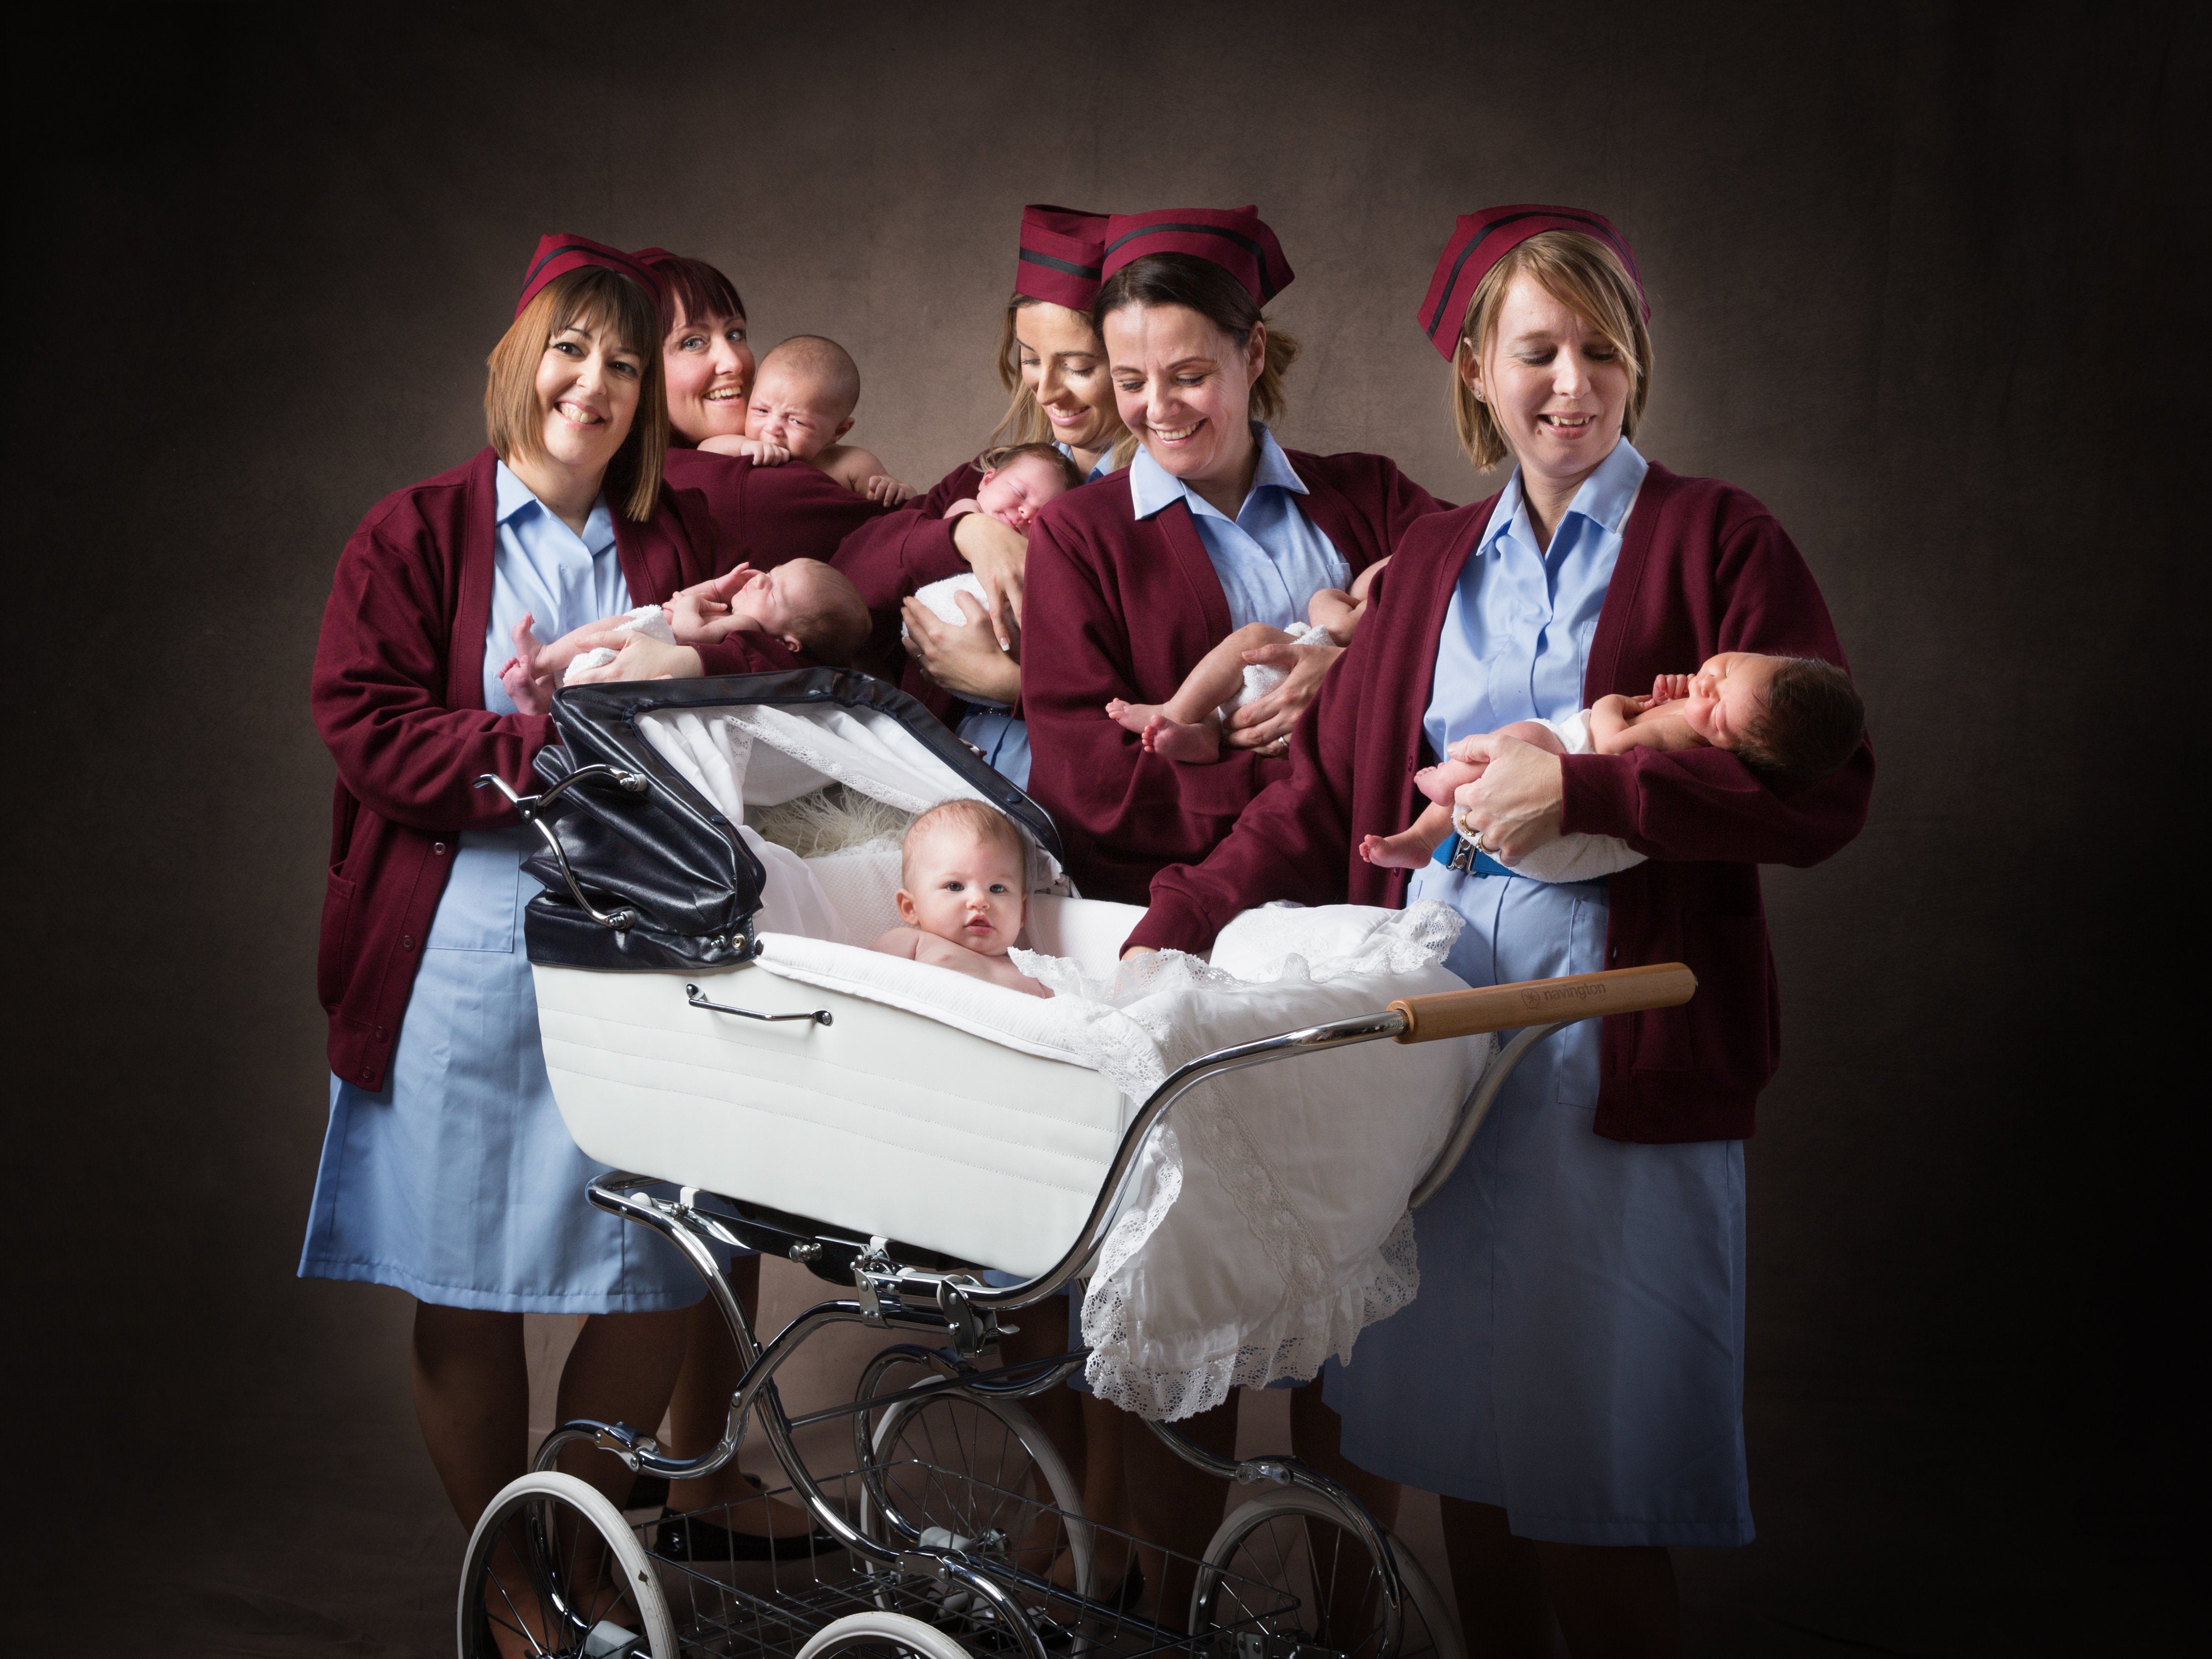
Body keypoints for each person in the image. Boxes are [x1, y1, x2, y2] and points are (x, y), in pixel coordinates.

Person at [1123, 205, 1874, 1657]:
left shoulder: (1719, 538)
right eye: (1536, 349)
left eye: (1601, 350)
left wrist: (1584, 783)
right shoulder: (1436, 556)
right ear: (1474, 366)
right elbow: (1313, 804)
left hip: (1619, 1063)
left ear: (1636, 362)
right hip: (1427, 1071)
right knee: (1465, 1450)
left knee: (1585, 1485)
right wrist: (1165, 925)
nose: (1570, 383)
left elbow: (1825, 786)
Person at [300, 235, 807, 1645]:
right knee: (466, 1277)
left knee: (653, 1263)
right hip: (462, 958)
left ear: (648, 397)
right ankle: (512, 1585)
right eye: (569, 350)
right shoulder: (412, 531)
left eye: (624, 361)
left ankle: (577, 1530)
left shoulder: (676, 543)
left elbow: (754, 697)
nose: (591, 381)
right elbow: (369, 721)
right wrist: (567, 739)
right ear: (517, 362)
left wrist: (702, 660)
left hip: (650, 958)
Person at [1020, 202, 1448, 901]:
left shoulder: (1372, 494)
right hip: (1177, 907)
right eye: (1130, 382)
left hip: (1375, 893)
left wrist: (1342, 673)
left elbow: (1491, 664)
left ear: (1252, 352)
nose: (1157, 408)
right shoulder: (1076, 538)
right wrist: (1345, 758)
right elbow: (1093, 788)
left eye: (1188, 375)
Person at [839, 205, 1137, 790]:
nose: (1047, 389)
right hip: (936, 774)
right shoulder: (994, 476)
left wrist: (1011, 686)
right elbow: (848, 577)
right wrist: (965, 533)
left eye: (1078, 366)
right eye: (1030, 360)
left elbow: (1156, 691)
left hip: (1064, 788)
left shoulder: (1149, 508)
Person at [1362, 651, 1866, 867]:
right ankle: (1422, 839)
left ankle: (1449, 776)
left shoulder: (1691, 738)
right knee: (1481, 787)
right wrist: (1668, 696)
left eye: (1716, 712)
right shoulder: (1697, 707)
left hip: (1571, 765)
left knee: (1517, 738)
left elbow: (1614, 748)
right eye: (1728, 667)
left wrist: (1612, 706)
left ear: (1730, 747)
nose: (1708, 685)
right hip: (1545, 784)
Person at [641, 249, 893, 575]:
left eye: (735, 334)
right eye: (692, 342)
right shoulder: (731, 484)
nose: (735, 362)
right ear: (636, 369)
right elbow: (908, 537)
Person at [1105, 558, 1386, 762]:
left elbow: (1338, 624)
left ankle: (1174, 711)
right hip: (1323, 697)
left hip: (1325, 662)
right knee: (1223, 704)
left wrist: (1327, 595)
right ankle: (1205, 734)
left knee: (1255, 636)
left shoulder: (1387, 605)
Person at [498, 557, 872, 710]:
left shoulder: (749, 630)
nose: (758, 580)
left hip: (642, 657)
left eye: (773, 591)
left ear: (791, 641)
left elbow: (688, 629)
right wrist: (711, 590)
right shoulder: (744, 623)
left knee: (618, 623)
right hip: (633, 662)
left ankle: (543, 658)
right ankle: (540, 702)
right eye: (771, 572)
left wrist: (695, 601)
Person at [701, 333, 915, 503]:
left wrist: (896, 489)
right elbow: (704, 451)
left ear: (838, 431)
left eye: (796, 421)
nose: (773, 427)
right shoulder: (744, 445)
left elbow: (907, 502)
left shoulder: (850, 463)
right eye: (762, 411)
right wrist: (744, 448)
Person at [869, 800, 1049, 996]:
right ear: (911, 908)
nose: (979, 901)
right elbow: (858, 985)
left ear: (1022, 912)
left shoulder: (1032, 972)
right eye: (955, 887)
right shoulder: (911, 944)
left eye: (997, 889)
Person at [941, 442, 1085, 529]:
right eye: (1020, 493)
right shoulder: (968, 510)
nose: (1028, 513)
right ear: (987, 480)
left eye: (1041, 515)